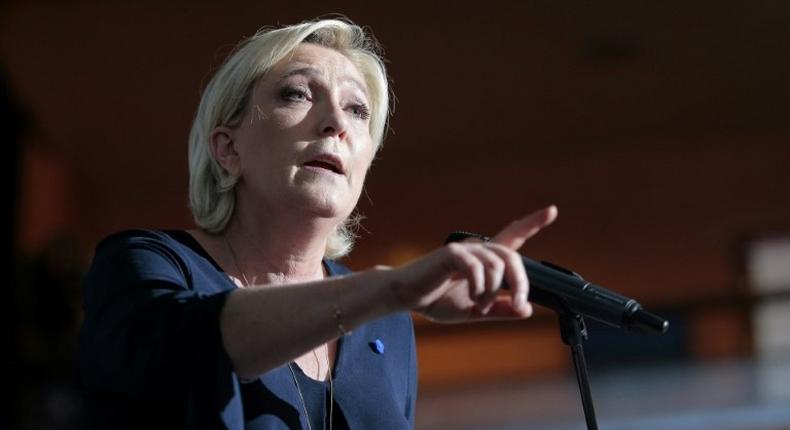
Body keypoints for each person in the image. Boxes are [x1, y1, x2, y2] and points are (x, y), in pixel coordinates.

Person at [79, 17, 558, 430]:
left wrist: (392, 299)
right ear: (227, 149)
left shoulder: (389, 323)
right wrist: (394, 289)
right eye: (298, 94)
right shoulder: (143, 261)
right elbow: (198, 349)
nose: (336, 122)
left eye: (357, 109)